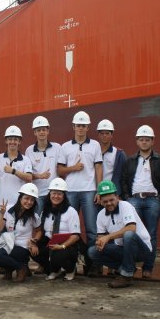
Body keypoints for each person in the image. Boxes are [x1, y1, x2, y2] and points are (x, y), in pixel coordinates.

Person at [120, 125, 160, 279]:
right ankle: (131, 265)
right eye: (141, 139)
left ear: (152, 141)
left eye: (147, 139)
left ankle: (148, 267)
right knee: (131, 232)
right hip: (134, 200)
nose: (144, 142)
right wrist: (128, 198)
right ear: (137, 141)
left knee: (151, 234)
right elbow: (123, 180)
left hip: (153, 200)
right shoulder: (130, 161)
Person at [57, 110, 102, 273]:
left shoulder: (95, 145)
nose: (81, 128)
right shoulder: (65, 147)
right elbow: (60, 170)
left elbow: (98, 167)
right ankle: (69, 264)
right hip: (70, 192)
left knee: (91, 230)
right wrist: (73, 168)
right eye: (78, 125)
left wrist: (99, 190)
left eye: (84, 125)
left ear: (88, 127)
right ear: (74, 127)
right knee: (68, 229)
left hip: (89, 191)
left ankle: (93, 265)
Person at [88, 181, 153, 288]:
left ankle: (126, 276)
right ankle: (127, 267)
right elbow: (101, 237)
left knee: (128, 234)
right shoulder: (100, 215)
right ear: (100, 201)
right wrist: (100, 242)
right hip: (122, 249)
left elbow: (131, 228)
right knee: (92, 252)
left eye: (111, 200)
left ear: (117, 197)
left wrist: (108, 237)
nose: (109, 203)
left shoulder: (125, 206)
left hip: (141, 249)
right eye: (105, 201)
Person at [0, 183, 42, 283]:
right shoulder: (8, 209)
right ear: (20, 198)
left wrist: (34, 242)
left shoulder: (34, 216)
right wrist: (1, 214)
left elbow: (39, 231)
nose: (29, 202)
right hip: (8, 244)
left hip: (23, 247)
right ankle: (11, 267)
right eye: (26, 198)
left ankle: (21, 268)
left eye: (32, 200)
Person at [33, 178, 81, 281]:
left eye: (59, 194)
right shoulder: (46, 211)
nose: (56, 196)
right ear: (49, 194)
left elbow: (76, 236)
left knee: (58, 255)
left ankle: (70, 269)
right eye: (53, 193)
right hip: (50, 241)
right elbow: (41, 230)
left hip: (67, 244)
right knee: (33, 250)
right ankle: (54, 270)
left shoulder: (70, 211)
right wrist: (34, 242)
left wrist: (62, 246)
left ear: (64, 196)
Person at [0, 125, 33, 220]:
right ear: (6, 141)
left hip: (19, 203)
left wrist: (13, 171)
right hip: (1, 203)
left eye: (15, 139)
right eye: (10, 139)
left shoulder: (26, 159)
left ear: (19, 141)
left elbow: (29, 177)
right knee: (0, 229)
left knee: (18, 229)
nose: (12, 142)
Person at [25, 116, 62, 213]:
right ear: (34, 132)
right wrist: (40, 176)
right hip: (38, 194)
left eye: (43, 130)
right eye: (38, 130)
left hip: (54, 193)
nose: (41, 132)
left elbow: (62, 169)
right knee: (37, 220)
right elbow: (27, 174)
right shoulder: (29, 150)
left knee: (55, 220)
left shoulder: (57, 147)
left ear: (48, 131)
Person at [97, 119, 126, 197]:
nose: (104, 135)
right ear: (98, 135)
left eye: (107, 133)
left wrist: (120, 194)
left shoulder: (119, 154)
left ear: (111, 135)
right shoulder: (93, 152)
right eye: (102, 133)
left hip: (111, 192)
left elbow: (123, 177)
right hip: (95, 192)